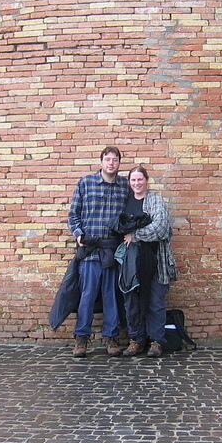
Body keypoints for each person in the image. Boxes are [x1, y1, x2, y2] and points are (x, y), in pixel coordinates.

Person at [67, 146, 130, 358]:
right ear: (101, 161)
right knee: (87, 295)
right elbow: (73, 215)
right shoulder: (85, 183)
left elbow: (131, 214)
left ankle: (111, 338)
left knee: (111, 296)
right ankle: (81, 338)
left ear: (119, 163)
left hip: (112, 250)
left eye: (115, 160)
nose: (111, 163)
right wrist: (78, 234)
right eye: (108, 159)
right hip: (90, 250)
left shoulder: (124, 186)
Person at [120, 165, 177, 359]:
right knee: (132, 302)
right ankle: (136, 339)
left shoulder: (155, 200)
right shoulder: (125, 202)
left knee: (155, 301)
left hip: (156, 261)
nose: (136, 183)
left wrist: (135, 235)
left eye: (140, 179)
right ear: (129, 182)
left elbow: (161, 228)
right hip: (131, 262)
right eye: (133, 180)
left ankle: (156, 341)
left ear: (146, 180)